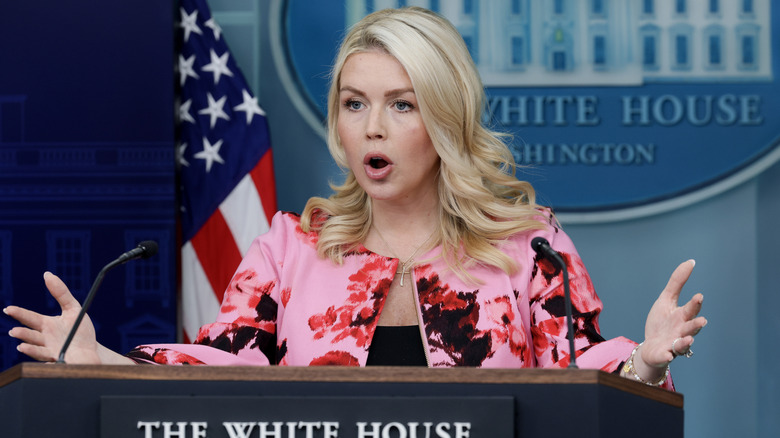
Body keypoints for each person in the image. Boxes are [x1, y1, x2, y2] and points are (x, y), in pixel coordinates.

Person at [4, 7, 706, 387]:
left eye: (402, 105)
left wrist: (645, 360)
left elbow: (576, 375)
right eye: (354, 103)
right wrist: (107, 362)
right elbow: (224, 365)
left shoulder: (527, 243)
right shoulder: (291, 245)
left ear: (444, 118)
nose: (372, 126)